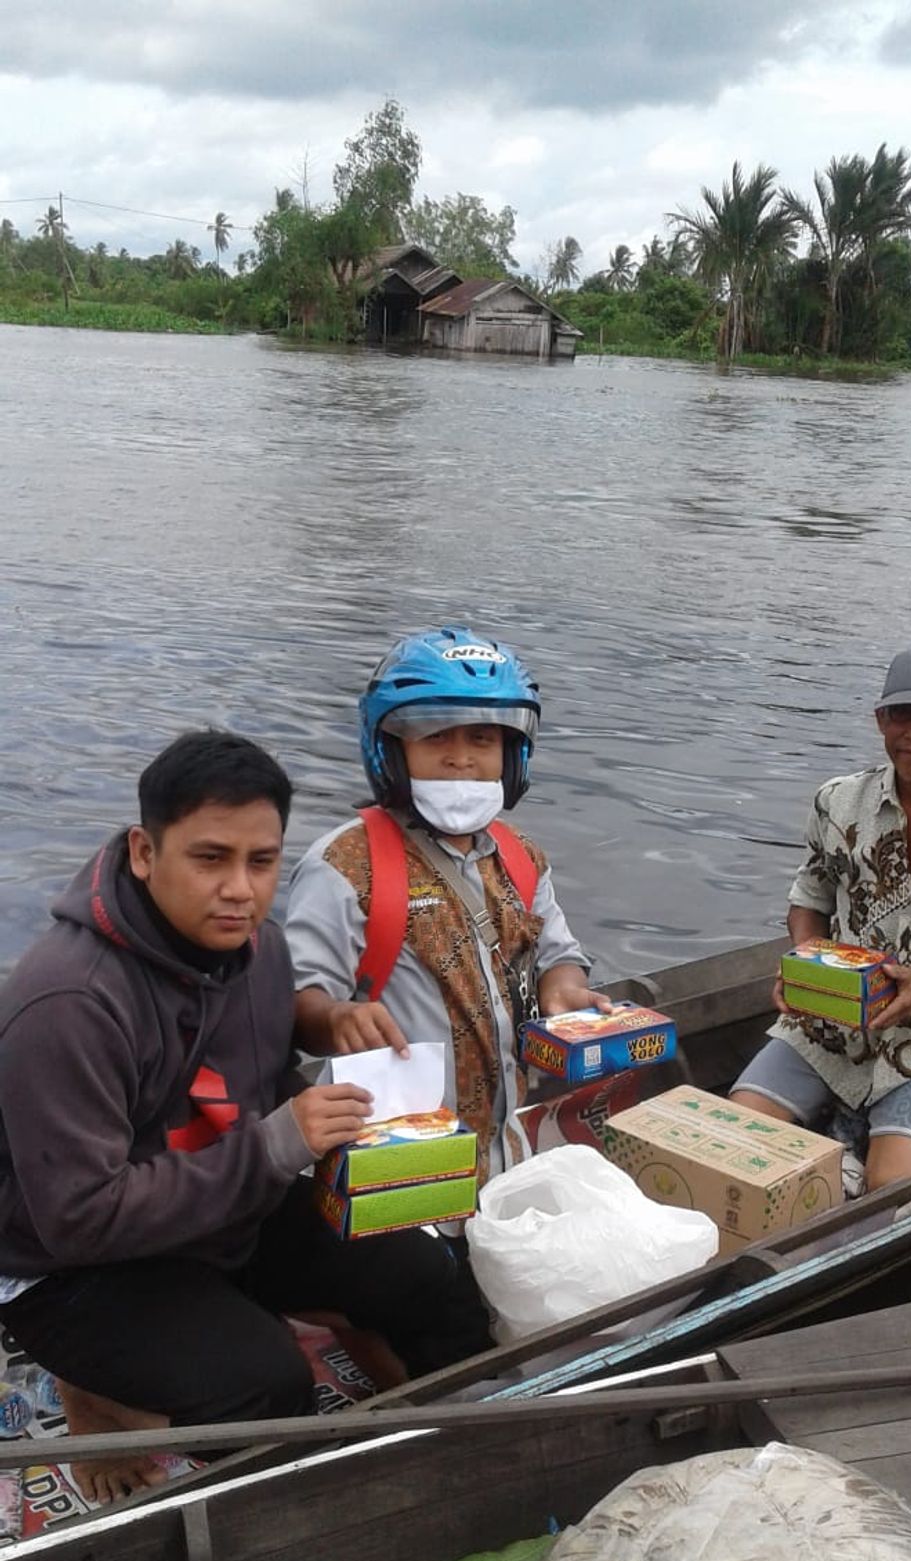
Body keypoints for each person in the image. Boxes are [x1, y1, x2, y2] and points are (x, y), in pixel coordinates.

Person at [0, 729, 491, 1503]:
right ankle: (94, 1391)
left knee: (430, 1276)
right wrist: (276, 1143)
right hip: (72, 1264)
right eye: (209, 857)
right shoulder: (68, 1002)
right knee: (266, 1384)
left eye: (261, 862)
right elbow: (76, 1218)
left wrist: (326, 1024)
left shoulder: (259, 951)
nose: (240, 888)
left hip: (222, 1201)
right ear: (142, 850)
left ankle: (460, 1445)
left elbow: (246, 1061)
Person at [285, 626, 609, 1183]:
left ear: (511, 754)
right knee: (418, 1268)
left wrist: (564, 988)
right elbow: (296, 1001)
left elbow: (559, 953)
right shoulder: (341, 864)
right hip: (398, 1147)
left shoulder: (522, 857)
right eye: (436, 738)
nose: (461, 759)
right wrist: (335, 1018)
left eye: (482, 740)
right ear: (390, 749)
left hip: (507, 1150)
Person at [731, 645, 911, 1193]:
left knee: (888, 1196)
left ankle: (852, 1149)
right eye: (902, 715)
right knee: (734, 1147)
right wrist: (803, 958)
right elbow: (810, 898)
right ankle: (839, 1140)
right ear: (881, 721)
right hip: (825, 1027)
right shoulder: (838, 802)